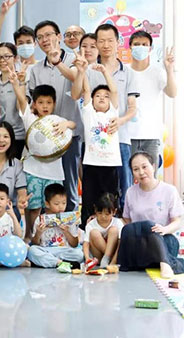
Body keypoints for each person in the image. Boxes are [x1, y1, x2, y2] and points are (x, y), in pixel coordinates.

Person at [72, 24, 137, 208]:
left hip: (120, 140)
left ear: (118, 42)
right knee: (92, 191)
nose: (106, 45)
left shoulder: (128, 72)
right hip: (93, 141)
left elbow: (132, 107)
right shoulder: (89, 69)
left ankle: (121, 223)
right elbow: (76, 95)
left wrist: (121, 121)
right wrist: (81, 71)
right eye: (101, 41)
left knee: (122, 189)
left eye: (110, 40)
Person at [10, 72, 75, 239]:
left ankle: (49, 238)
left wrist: (66, 124)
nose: (45, 106)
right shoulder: (30, 119)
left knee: (53, 207)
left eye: (49, 102)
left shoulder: (58, 120)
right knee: (32, 207)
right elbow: (22, 101)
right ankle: (29, 235)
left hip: (54, 173)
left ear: (54, 104)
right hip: (32, 170)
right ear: (34, 104)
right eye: (40, 102)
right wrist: (17, 84)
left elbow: (73, 124)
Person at [26, 21, 80, 211]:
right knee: (47, 188)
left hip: (69, 135)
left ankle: (70, 223)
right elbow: (32, 102)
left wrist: (57, 62)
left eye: (48, 35)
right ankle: (46, 226)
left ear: (58, 36)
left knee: (69, 185)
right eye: (40, 37)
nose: (45, 40)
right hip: (44, 137)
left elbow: (76, 78)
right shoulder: (36, 69)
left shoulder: (73, 59)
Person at [117, 152, 184, 279]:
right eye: (136, 169)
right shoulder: (130, 192)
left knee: (152, 227)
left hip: (164, 241)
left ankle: (165, 263)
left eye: (144, 167)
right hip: (140, 244)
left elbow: (177, 222)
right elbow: (127, 221)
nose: (141, 172)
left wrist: (164, 229)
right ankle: (166, 262)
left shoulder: (169, 190)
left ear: (153, 166)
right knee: (134, 228)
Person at [74, 57, 121, 227]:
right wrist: (83, 70)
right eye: (98, 96)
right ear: (92, 100)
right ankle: (87, 229)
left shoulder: (113, 113)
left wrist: (105, 72)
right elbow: (86, 90)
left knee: (110, 199)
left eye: (105, 96)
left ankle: (111, 228)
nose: (102, 98)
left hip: (110, 165)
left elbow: (114, 91)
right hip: (92, 164)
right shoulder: (89, 113)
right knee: (89, 199)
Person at [127, 31, 176, 169]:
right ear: (130, 47)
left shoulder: (157, 72)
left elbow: (172, 93)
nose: (140, 47)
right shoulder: (124, 71)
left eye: (144, 44)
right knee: (126, 177)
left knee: (149, 176)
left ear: (150, 48)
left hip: (151, 133)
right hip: (126, 134)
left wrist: (169, 70)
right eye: (137, 44)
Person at [27, 185, 83, 270]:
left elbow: (74, 244)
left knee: (79, 254)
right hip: (47, 250)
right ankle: (59, 263)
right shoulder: (40, 219)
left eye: (64, 203)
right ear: (47, 204)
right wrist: (38, 233)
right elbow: (35, 244)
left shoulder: (69, 219)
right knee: (32, 250)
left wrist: (66, 231)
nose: (61, 206)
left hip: (64, 250)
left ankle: (50, 262)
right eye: (56, 204)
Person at [0, 43, 26, 158]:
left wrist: (19, 84)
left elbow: (22, 109)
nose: (2, 60)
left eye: (7, 56)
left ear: (15, 58)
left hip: (17, 137)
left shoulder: (22, 80)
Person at [83, 193, 123, 269]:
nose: (103, 216)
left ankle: (107, 258)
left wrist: (113, 262)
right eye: (100, 213)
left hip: (114, 257)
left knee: (113, 230)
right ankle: (106, 259)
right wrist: (87, 258)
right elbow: (86, 243)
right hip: (98, 256)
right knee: (94, 233)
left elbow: (120, 243)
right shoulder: (91, 224)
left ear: (114, 212)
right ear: (95, 210)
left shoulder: (117, 223)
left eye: (107, 214)